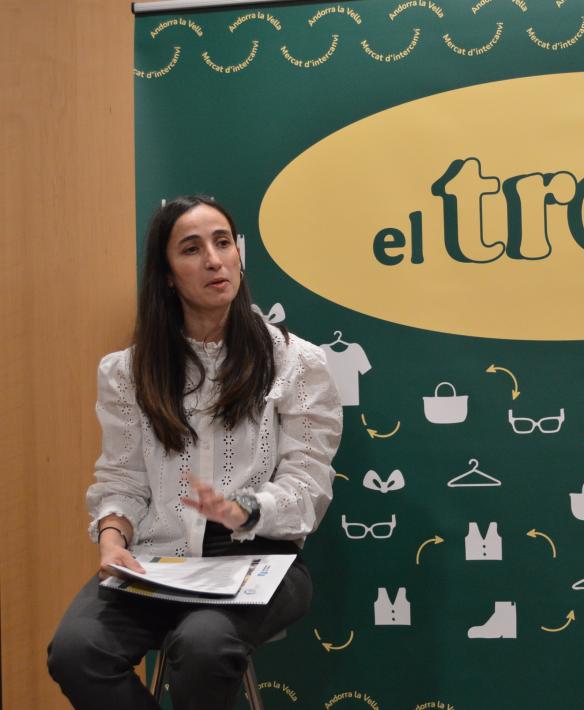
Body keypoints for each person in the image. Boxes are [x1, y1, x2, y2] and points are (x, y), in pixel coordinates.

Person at [47, 196, 343, 709]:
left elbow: (308, 487)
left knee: (203, 645)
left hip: (261, 561)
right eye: (191, 249)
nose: (213, 259)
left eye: (223, 243)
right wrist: (112, 542)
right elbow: (121, 480)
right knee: (76, 651)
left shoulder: (296, 361)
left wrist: (243, 509)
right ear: (165, 273)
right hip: (157, 563)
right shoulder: (126, 372)